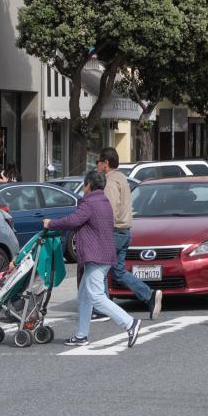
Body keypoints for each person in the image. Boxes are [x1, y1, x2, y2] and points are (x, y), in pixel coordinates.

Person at [43, 169, 141, 347]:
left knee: (96, 296)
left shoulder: (89, 203)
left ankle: (129, 323)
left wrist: (51, 223)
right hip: (102, 254)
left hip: (96, 256)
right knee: (85, 295)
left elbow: (73, 220)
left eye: (84, 184)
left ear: (88, 185)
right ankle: (81, 335)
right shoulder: (103, 201)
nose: (83, 188)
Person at [97, 147, 162, 319]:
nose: (96, 166)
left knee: (100, 268)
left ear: (106, 163)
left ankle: (101, 308)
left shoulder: (110, 182)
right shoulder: (121, 178)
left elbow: (108, 210)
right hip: (125, 230)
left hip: (114, 231)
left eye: (98, 162)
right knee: (117, 271)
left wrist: (101, 232)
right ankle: (150, 296)